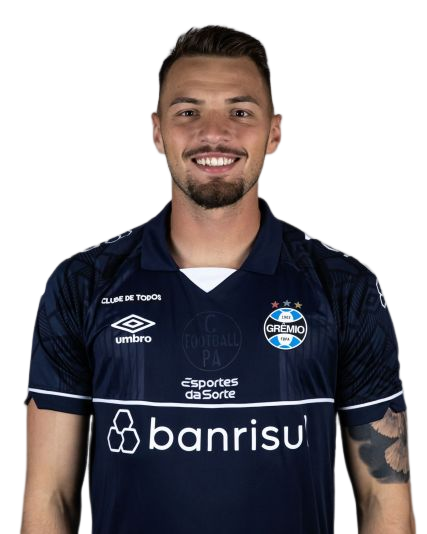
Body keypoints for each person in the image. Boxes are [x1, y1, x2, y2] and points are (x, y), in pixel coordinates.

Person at [16, 20, 420, 534]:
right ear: (156, 131)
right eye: (188, 112)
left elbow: (385, 502)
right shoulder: (80, 282)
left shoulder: (346, 285)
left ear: (275, 132)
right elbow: (48, 497)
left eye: (240, 111)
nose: (214, 133)